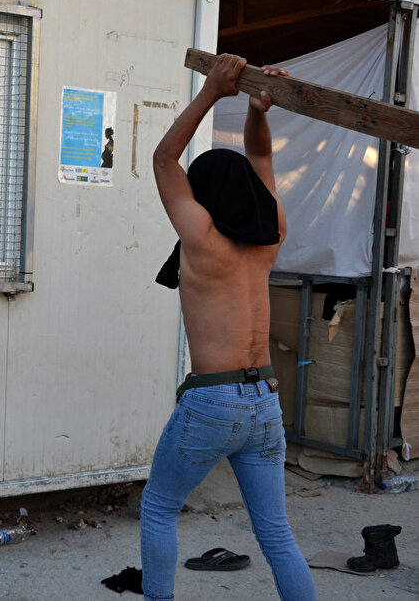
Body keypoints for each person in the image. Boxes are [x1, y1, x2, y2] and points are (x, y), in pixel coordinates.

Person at [141, 54, 317, 600]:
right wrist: (258, 111)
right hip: (264, 400)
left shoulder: (202, 240)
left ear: (205, 197)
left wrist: (214, 92)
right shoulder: (269, 241)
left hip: (212, 401)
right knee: (276, 532)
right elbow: (260, 157)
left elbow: (165, 159)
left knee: (159, 508)